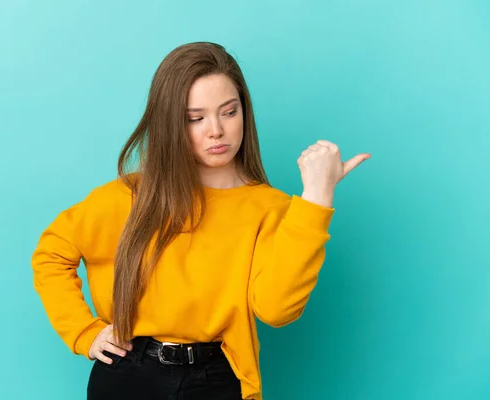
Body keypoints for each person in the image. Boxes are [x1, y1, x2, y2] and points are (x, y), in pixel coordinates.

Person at [31, 41, 370, 400]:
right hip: (129, 373)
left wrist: (316, 197)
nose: (216, 131)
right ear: (170, 124)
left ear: (245, 112)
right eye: (195, 118)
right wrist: (83, 332)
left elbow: (276, 310)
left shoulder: (272, 209)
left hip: (217, 377)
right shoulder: (132, 196)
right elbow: (52, 253)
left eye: (229, 111)